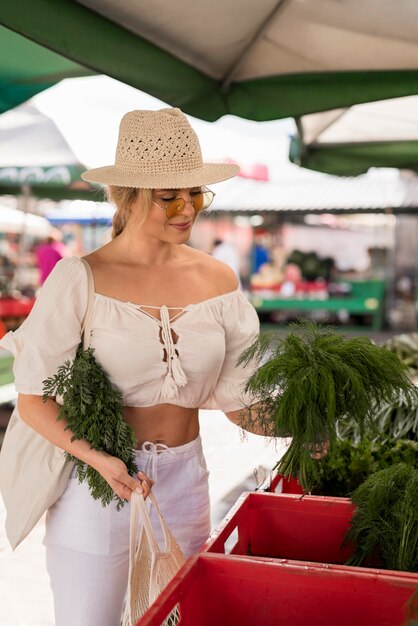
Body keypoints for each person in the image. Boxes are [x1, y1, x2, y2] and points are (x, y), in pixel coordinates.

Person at [0, 108, 266, 626]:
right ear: (127, 195)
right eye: (169, 197)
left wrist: (305, 420)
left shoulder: (219, 281)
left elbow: (240, 401)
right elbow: (33, 399)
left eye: (195, 193)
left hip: (186, 481)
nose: (186, 208)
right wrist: (100, 460)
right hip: (98, 481)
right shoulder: (82, 278)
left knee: (177, 618)